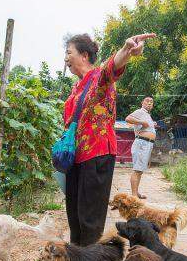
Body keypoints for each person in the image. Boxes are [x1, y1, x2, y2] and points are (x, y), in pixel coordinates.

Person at [63, 32, 155, 246]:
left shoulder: (98, 77)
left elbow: (112, 66)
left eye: (69, 52)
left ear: (84, 55)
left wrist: (127, 50)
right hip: (75, 156)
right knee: (74, 212)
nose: (65, 58)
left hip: (97, 154)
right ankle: (78, 255)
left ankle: (91, 259)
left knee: (90, 214)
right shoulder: (76, 87)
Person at [125, 97, 157, 198]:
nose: (149, 103)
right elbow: (128, 118)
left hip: (147, 144)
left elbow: (146, 127)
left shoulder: (147, 115)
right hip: (142, 143)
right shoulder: (140, 111)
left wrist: (151, 125)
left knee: (140, 170)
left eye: (151, 102)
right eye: (147, 101)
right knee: (137, 169)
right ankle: (134, 196)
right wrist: (143, 123)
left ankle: (136, 192)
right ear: (142, 103)